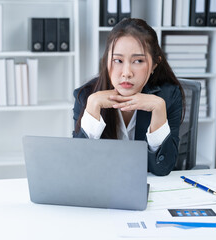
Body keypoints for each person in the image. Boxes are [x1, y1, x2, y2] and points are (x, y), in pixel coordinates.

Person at [72, 18, 185, 176]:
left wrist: (159, 110)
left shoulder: (168, 96)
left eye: (138, 61)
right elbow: (78, 166)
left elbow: (162, 168)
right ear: (106, 62)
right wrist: (92, 107)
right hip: (103, 189)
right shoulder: (86, 96)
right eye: (117, 60)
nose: (126, 73)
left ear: (154, 64)